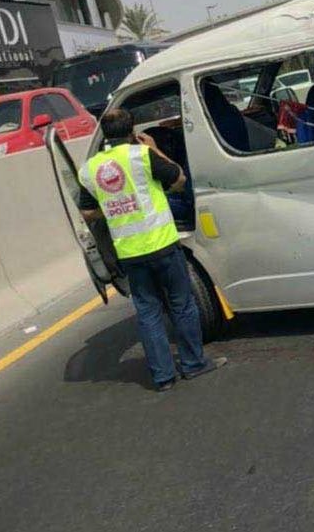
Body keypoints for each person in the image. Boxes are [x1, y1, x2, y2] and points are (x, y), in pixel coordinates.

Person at [77, 109, 226, 392]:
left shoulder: (90, 169)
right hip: (162, 244)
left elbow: (87, 212)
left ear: (105, 134)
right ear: (132, 130)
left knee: (148, 313)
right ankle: (194, 364)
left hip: (130, 253)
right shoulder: (142, 155)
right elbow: (179, 180)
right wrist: (156, 149)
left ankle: (163, 377)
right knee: (181, 305)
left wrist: (112, 207)